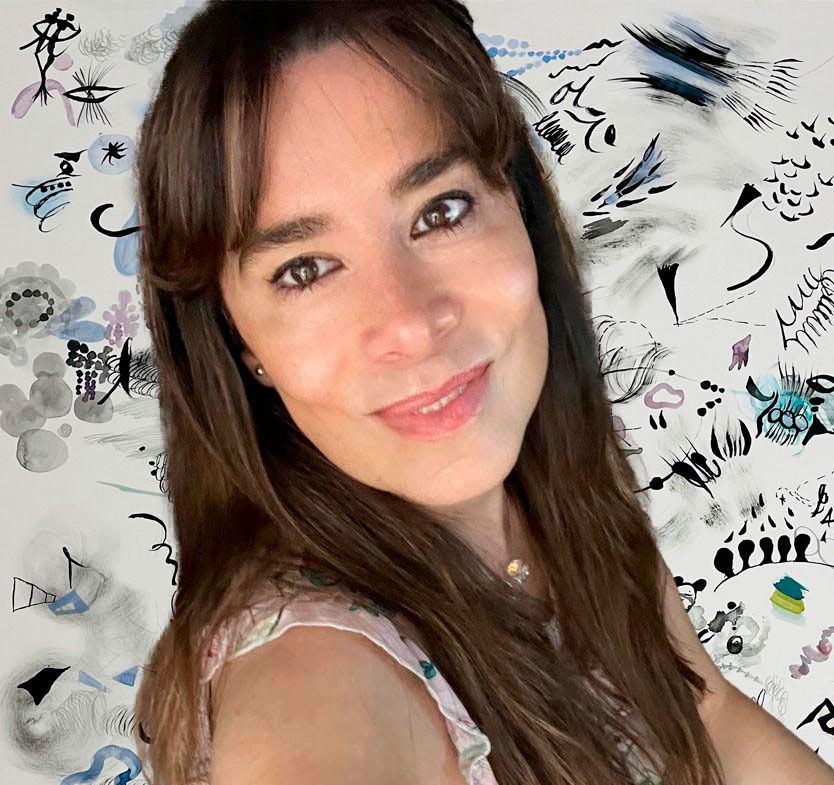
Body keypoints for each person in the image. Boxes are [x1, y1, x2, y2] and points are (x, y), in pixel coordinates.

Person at [132, 2, 834, 785]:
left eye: (442, 211)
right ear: (239, 342)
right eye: (306, 269)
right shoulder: (314, 669)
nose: (410, 323)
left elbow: (706, 714)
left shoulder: (562, 488)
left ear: (518, 208)